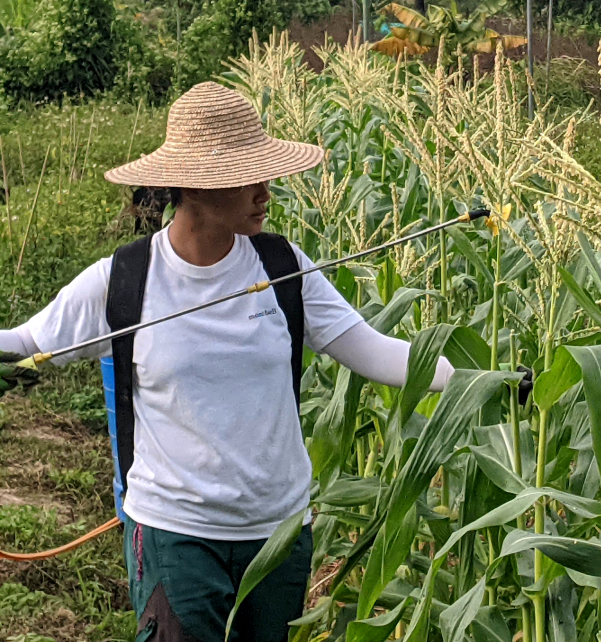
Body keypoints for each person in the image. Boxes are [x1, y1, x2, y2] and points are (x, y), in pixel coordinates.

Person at [0, 82, 500, 642]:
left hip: (279, 535)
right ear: (195, 187)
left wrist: (482, 381)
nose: (266, 192)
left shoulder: (282, 267)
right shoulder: (126, 280)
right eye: (248, 177)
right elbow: (29, 342)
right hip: (176, 532)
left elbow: (373, 351)